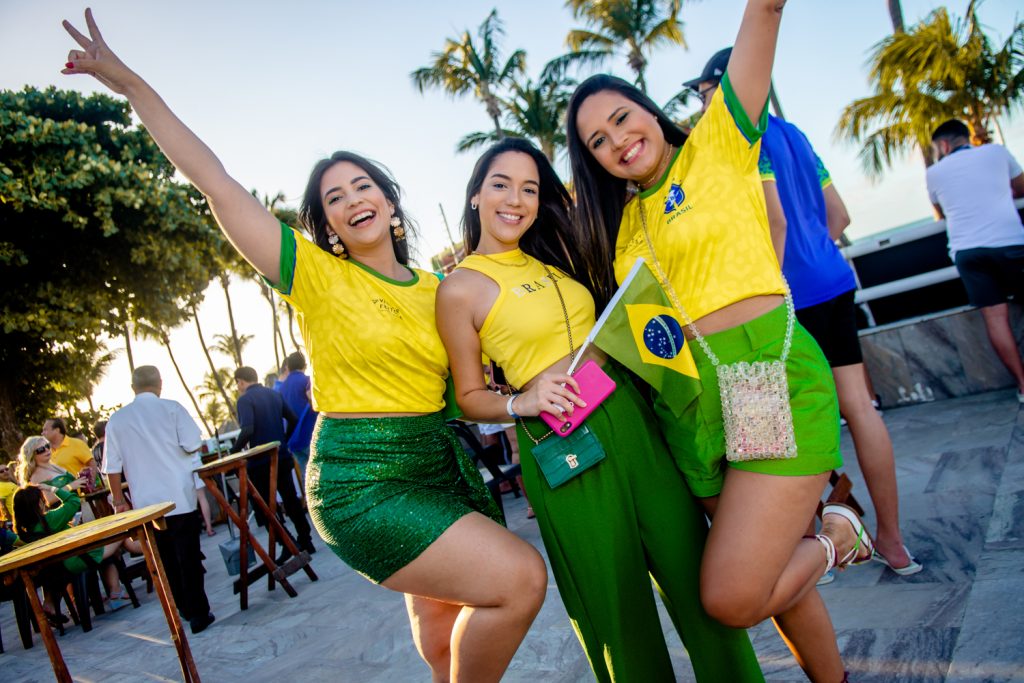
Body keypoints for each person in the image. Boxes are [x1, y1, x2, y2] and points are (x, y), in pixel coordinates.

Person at [62, 11, 546, 679]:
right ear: (331, 227)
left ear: (390, 202)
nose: (353, 200)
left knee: (442, 641)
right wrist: (132, 86)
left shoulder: (447, 286)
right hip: (361, 479)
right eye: (335, 198)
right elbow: (217, 182)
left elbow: (484, 371)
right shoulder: (316, 277)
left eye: (363, 186)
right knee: (520, 578)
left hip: (438, 464)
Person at [567, 3, 873, 681]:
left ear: (649, 110)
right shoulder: (618, 228)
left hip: (761, 379)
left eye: (621, 118)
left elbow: (764, 12)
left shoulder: (720, 139)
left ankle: (839, 533)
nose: (616, 140)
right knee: (773, 573)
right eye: (596, 141)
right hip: (689, 411)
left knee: (732, 593)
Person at [436, 137, 763, 681]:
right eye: (500, 184)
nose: (514, 198)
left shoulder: (553, 257)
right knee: (615, 611)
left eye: (529, 188)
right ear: (475, 195)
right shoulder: (459, 288)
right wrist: (524, 400)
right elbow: (469, 398)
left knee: (693, 574)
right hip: (561, 442)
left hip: (631, 419)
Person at [683, 45, 921, 578]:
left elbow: (775, 224)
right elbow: (838, 215)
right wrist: (814, 261)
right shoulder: (796, 135)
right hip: (832, 282)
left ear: (724, 87)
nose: (701, 107)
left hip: (779, 302)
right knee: (860, 408)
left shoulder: (740, 140)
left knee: (765, 434)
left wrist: (771, 286)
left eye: (702, 94)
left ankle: (795, 553)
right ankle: (893, 540)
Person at [101, 365, 216, 634]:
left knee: (166, 559)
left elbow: (112, 469)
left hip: (147, 504)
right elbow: (192, 443)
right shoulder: (173, 408)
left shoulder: (116, 420)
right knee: (188, 556)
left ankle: (184, 609)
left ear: (133, 388)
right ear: (160, 384)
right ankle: (199, 613)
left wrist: (119, 502)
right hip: (180, 496)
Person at [926, 119, 1024, 402]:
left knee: (995, 319)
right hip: (1010, 242)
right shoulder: (996, 152)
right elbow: (1020, 186)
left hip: (968, 252)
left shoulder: (934, 173)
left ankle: (1022, 386)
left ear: (943, 145)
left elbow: (940, 209)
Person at [13, 483, 138, 613]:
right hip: (78, 558)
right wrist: (52, 488)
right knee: (121, 534)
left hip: (60, 565)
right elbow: (73, 500)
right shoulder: (51, 519)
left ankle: (116, 591)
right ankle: (120, 589)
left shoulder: (25, 530)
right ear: (38, 504)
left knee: (112, 545)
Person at [231, 365, 313, 555]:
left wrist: (234, 452)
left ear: (241, 381)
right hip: (281, 455)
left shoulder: (245, 400)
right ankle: (306, 539)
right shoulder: (273, 394)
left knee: (265, 508)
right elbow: (292, 419)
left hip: (260, 461)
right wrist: (283, 439)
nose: (238, 387)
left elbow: (248, 430)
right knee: (291, 499)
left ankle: (287, 544)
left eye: (237, 383)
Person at [278, 351, 316, 476]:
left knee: (308, 477)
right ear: (304, 365)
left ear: (288, 367)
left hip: (294, 440)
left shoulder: (281, 389)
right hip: (310, 435)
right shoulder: (307, 381)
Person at [18, 435, 84, 507]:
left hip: (78, 506)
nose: (46, 450)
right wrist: (71, 486)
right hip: (66, 514)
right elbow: (49, 500)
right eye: (41, 450)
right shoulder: (36, 475)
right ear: (32, 455)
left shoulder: (53, 465)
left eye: (47, 446)